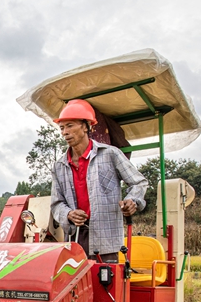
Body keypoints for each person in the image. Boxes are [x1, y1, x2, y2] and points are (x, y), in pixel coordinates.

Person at [50, 99, 148, 262]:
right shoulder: (59, 166)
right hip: (75, 240)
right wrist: (68, 214)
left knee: (105, 285)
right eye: (62, 128)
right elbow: (56, 203)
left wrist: (132, 201)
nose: (65, 132)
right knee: (77, 287)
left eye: (70, 126)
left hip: (106, 241)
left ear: (86, 126)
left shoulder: (110, 154)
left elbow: (139, 182)